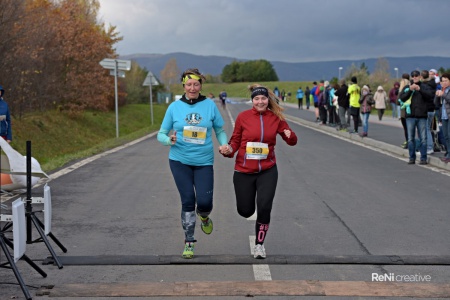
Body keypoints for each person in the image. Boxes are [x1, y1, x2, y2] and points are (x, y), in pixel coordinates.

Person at [157, 68, 229, 259]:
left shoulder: (209, 105)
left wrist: (224, 145)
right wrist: (168, 140)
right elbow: (161, 133)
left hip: (204, 161)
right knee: (188, 200)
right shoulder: (174, 107)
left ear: (200, 86)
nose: (192, 87)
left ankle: (204, 216)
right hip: (179, 160)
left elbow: (220, 130)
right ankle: (189, 241)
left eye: (196, 84)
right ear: (184, 86)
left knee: (204, 203)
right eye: (189, 84)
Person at [220, 84, 297, 259]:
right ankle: (249, 211)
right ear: (252, 101)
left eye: (263, 98)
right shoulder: (243, 117)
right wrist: (228, 151)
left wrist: (289, 134)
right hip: (244, 171)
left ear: (267, 100)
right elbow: (235, 141)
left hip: (267, 171)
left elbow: (292, 140)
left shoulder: (275, 118)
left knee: (264, 207)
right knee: (245, 211)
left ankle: (259, 245)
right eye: (257, 99)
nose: (260, 101)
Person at [398, 70, 434, 165]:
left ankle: (423, 158)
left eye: (416, 75)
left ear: (420, 77)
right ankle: (411, 157)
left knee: (423, 138)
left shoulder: (425, 86)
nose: (414, 77)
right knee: (410, 138)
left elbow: (430, 96)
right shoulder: (407, 87)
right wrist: (410, 90)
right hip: (410, 117)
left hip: (422, 116)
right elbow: (401, 98)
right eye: (413, 76)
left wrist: (419, 89)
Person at [421, 70, 437, 155]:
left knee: (426, 129)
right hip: (432, 109)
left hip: (426, 109)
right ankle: (429, 146)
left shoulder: (425, 85)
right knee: (428, 128)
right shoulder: (433, 84)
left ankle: (429, 147)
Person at [435, 73, 450, 163]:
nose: (444, 83)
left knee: (449, 135)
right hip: (444, 116)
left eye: (446, 81)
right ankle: (448, 153)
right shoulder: (442, 89)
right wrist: (437, 95)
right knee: (445, 136)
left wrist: (443, 94)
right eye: (442, 81)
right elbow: (436, 104)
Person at [397, 73, 410, 149]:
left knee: (406, 128)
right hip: (410, 111)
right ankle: (409, 142)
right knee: (410, 128)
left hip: (404, 112)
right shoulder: (411, 87)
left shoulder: (402, 90)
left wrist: (400, 91)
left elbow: (398, 102)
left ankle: (408, 142)